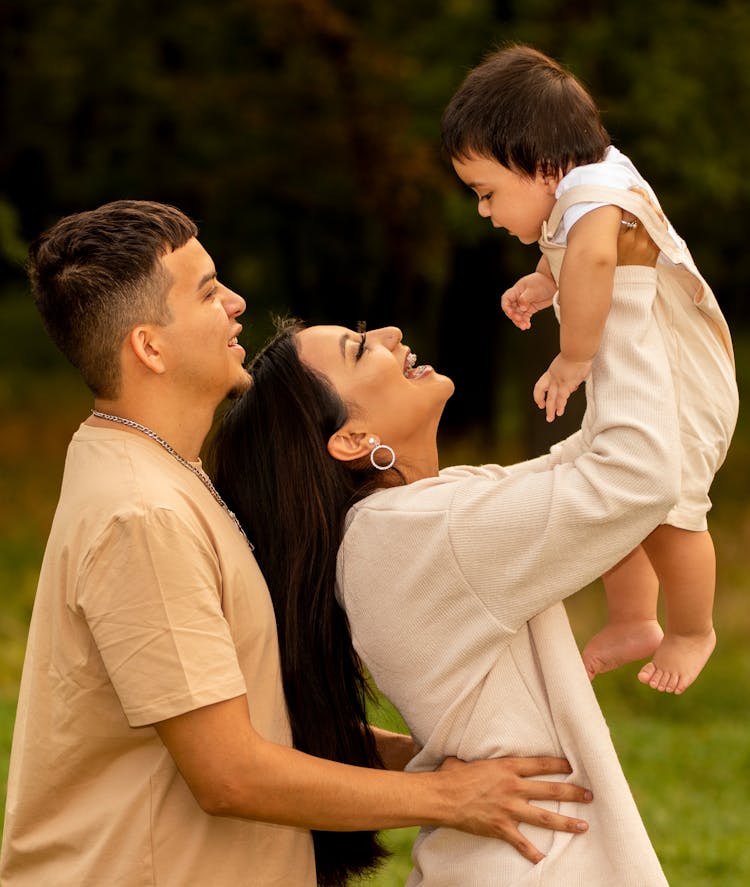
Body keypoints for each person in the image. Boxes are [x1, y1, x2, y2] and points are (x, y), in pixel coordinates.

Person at [0, 200, 599, 887]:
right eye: (206, 291)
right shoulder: (144, 513)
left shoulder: (165, 476)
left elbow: (257, 725)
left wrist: (438, 757)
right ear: (150, 346)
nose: (236, 302)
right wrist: (447, 796)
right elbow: (228, 772)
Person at [209, 221, 678, 884]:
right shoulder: (414, 534)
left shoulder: (408, 524)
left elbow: (596, 463)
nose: (392, 336)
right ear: (352, 438)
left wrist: (586, 283)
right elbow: (640, 474)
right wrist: (625, 285)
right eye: (359, 347)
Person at [440, 44, 739, 695]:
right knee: (618, 490)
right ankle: (635, 619)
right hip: (639, 374)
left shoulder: (596, 195)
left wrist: (573, 354)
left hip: (679, 377)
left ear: (544, 168)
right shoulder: (580, 186)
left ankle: (693, 629)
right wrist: (546, 279)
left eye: (487, 192)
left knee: (669, 503)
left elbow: (598, 260)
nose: (485, 211)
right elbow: (573, 249)